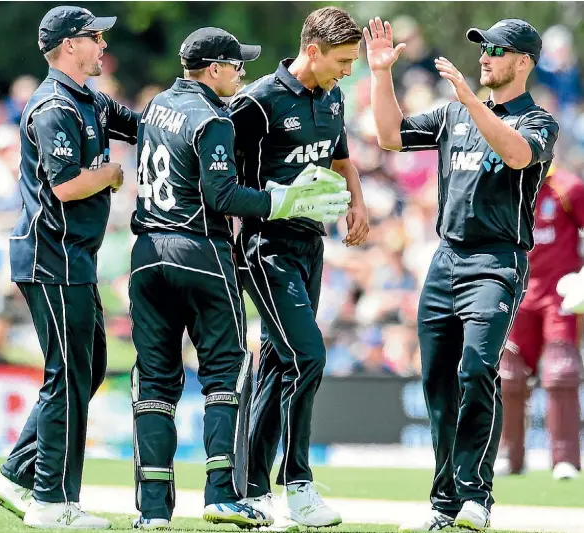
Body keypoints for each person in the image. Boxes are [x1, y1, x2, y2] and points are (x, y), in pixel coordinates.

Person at [129, 27, 350, 530]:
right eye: (235, 65)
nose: (242, 73)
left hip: (145, 255)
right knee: (223, 378)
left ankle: (154, 512)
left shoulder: (156, 105)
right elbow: (223, 195)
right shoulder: (215, 117)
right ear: (213, 69)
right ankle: (223, 493)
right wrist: (282, 201)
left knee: (156, 385)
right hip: (201, 251)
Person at [365, 17, 559, 530]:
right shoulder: (454, 114)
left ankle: (477, 496)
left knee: (476, 370)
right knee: (436, 382)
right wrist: (380, 74)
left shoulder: (538, 122)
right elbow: (388, 136)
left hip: (497, 262)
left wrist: (472, 102)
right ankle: (444, 502)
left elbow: (516, 154)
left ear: (523, 62)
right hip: (446, 259)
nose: (485, 57)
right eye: (483, 48)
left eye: (496, 50)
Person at [0, 6, 139, 529]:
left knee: (87, 367)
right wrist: (113, 174)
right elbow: (66, 185)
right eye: (95, 37)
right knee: (68, 374)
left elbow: (142, 126)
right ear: (70, 44)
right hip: (50, 257)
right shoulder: (54, 104)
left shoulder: (87, 97)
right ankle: (51, 500)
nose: (102, 45)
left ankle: (15, 475)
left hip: (72, 258)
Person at [228, 7, 369, 528]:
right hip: (264, 246)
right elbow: (217, 178)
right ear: (312, 50)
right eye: (342, 60)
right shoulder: (257, 102)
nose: (348, 70)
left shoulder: (333, 95)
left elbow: (340, 155)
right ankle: (300, 486)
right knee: (308, 354)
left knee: (277, 360)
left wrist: (358, 203)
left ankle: (252, 490)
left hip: (311, 247)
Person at [498, 166, 584, 480]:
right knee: (510, 374)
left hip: (559, 294)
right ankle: (511, 457)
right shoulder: (508, 185)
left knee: (561, 369)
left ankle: (564, 459)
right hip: (520, 291)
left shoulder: (568, 187)